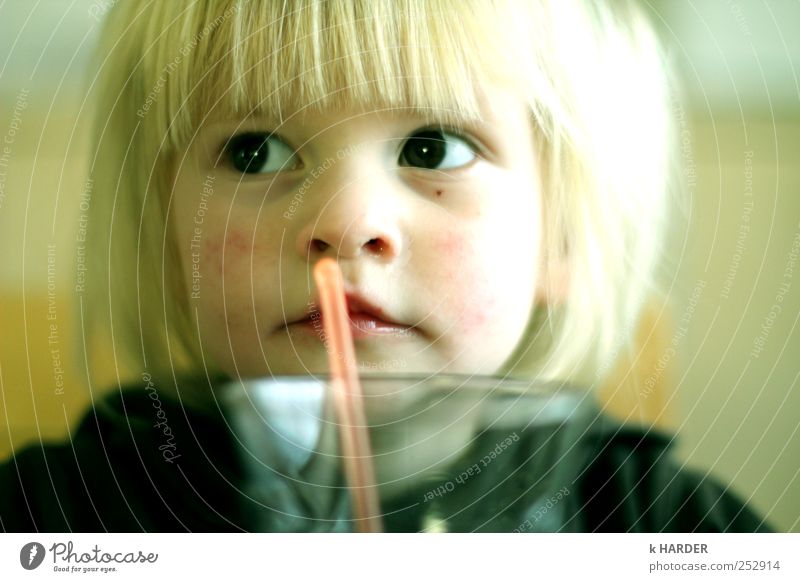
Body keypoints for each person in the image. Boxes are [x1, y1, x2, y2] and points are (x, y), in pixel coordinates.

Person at [0, 0, 772, 532]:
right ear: (165, 235)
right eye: (254, 152)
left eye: (432, 148)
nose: (346, 223)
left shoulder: (663, 529)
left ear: (561, 236)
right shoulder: (59, 518)